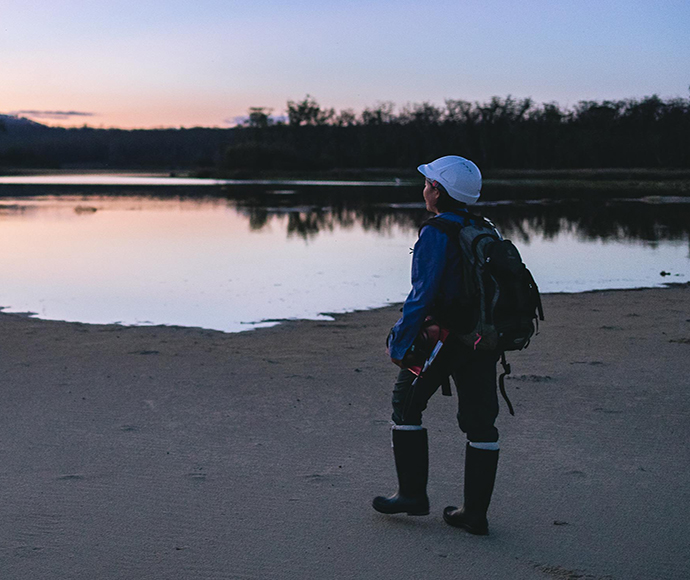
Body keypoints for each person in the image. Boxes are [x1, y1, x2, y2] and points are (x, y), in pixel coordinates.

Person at [372, 155, 501, 536]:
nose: (424, 188)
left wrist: (399, 341)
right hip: (482, 337)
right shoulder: (484, 227)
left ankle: (412, 495)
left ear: (438, 190)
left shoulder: (436, 231)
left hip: (444, 338)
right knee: (481, 423)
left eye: (428, 183)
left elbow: (422, 295)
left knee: (405, 405)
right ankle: (474, 514)